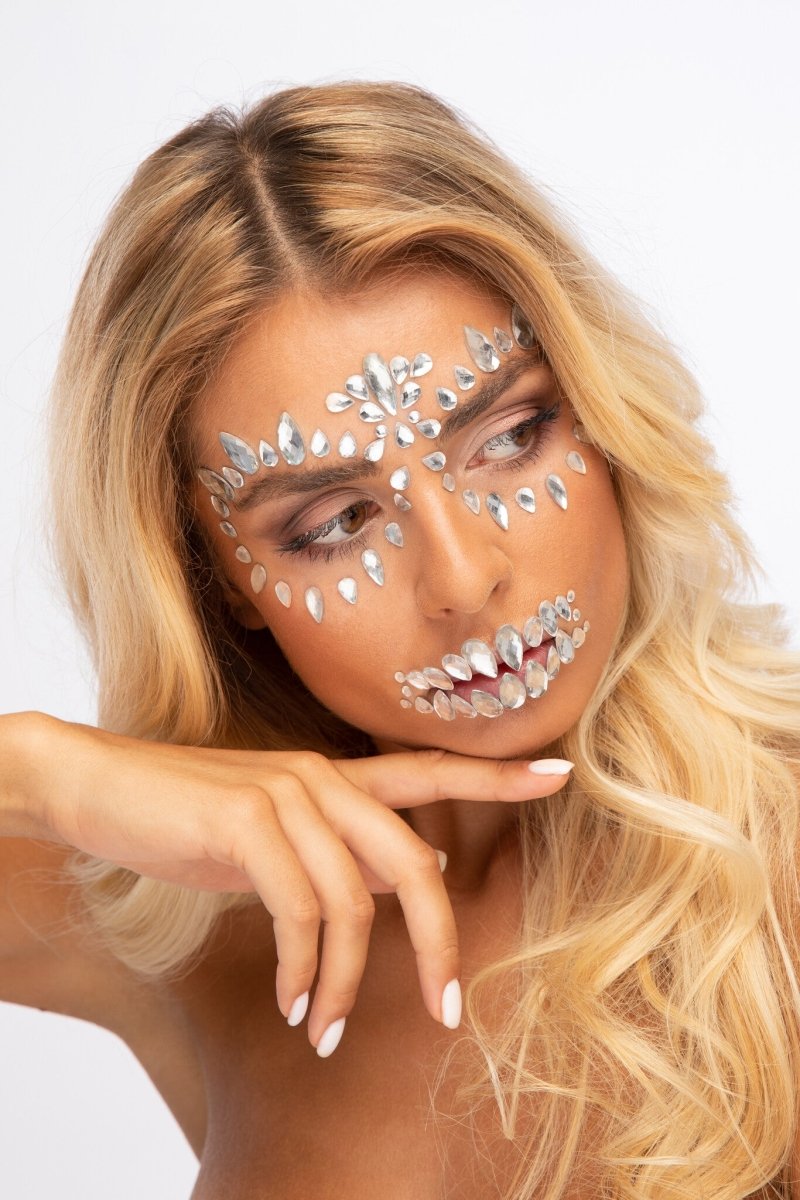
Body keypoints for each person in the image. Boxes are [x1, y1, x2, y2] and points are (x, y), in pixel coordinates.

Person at [1, 78, 799, 1199]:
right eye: (335, 522)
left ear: (598, 406)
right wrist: (41, 775)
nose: (465, 576)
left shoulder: (776, 868)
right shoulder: (194, 913)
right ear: (216, 580)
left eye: (509, 436)